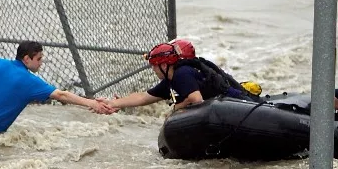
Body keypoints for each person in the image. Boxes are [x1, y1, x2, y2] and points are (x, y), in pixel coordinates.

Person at [102, 40, 254, 112]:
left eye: (155, 65)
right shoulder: (171, 79)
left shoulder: (182, 74)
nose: (153, 69)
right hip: (227, 109)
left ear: (164, 65)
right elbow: (143, 97)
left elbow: (196, 100)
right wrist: (113, 104)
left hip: (239, 106)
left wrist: (176, 107)